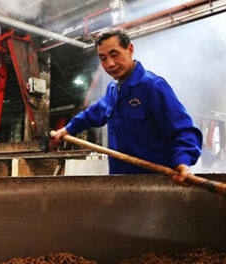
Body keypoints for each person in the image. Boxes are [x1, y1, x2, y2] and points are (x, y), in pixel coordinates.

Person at [50, 28, 202, 184]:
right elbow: (92, 114)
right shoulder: (112, 90)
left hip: (155, 185)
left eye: (114, 55)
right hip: (120, 183)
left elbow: (185, 130)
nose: (110, 64)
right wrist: (66, 130)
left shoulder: (152, 86)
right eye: (103, 58)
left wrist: (183, 162)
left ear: (130, 49)